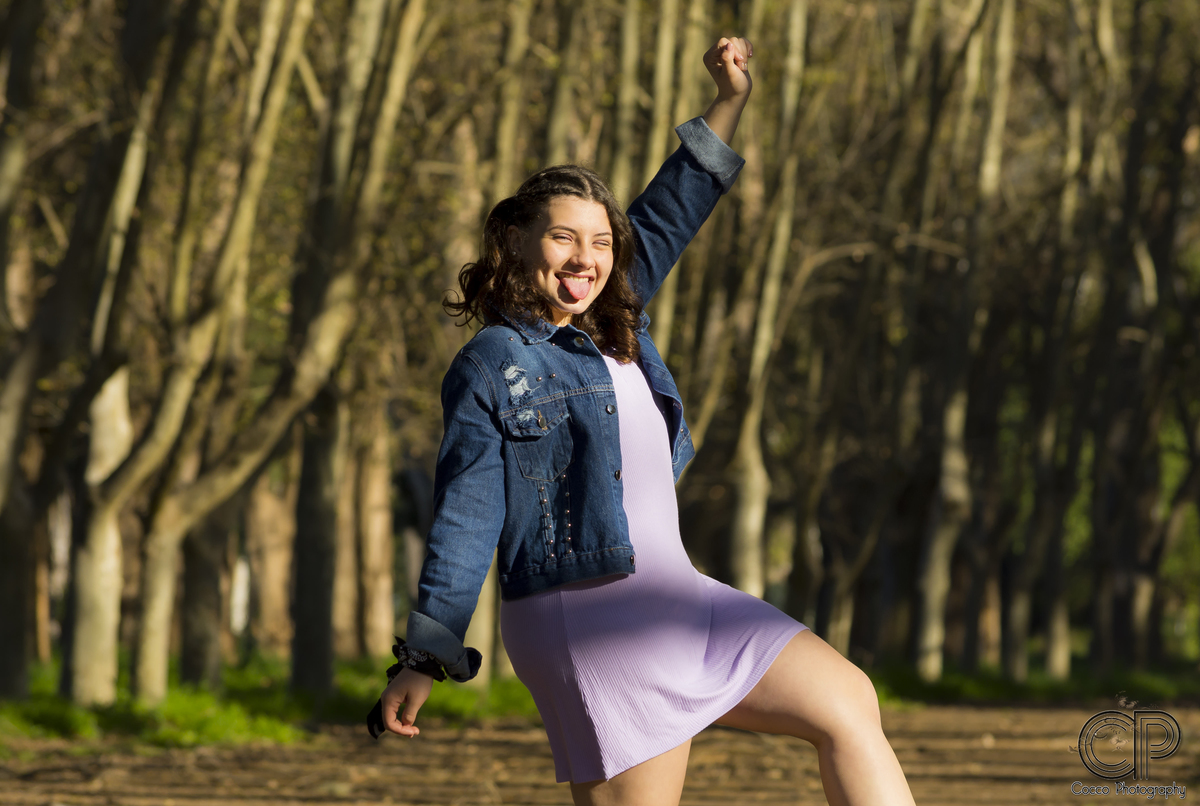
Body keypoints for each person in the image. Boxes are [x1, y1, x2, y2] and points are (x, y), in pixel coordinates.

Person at [373, 36, 917, 806]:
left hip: (676, 595)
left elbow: (672, 206)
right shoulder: (494, 363)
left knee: (847, 701)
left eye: (600, 242)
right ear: (517, 242)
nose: (584, 258)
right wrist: (425, 656)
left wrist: (729, 100)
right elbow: (466, 513)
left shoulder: (617, 318)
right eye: (563, 236)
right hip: (594, 616)